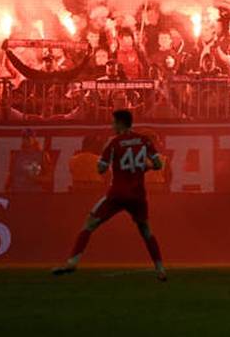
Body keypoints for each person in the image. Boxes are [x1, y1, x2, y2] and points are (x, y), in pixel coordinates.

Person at [52, 109, 168, 280]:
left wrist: (101, 163)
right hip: (138, 196)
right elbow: (158, 165)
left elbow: (102, 168)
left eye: (113, 122)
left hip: (117, 194)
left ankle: (72, 262)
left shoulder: (114, 143)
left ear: (120, 123)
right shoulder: (144, 141)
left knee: (89, 224)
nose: (112, 125)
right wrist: (144, 166)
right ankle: (160, 269)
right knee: (146, 231)